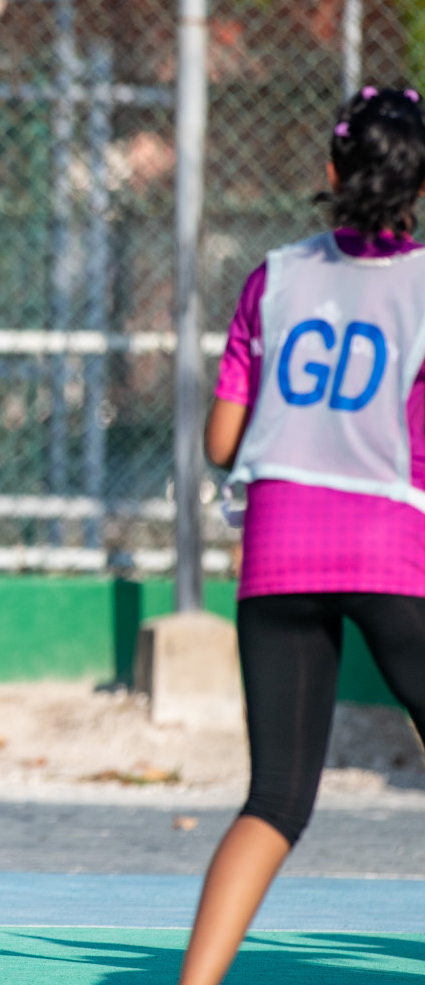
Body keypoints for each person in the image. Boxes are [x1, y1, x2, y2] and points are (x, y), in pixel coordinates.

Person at [183, 85, 425, 985]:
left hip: (278, 551)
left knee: (278, 800)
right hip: (390, 548)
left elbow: (221, 441)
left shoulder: (273, 278)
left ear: (330, 170)